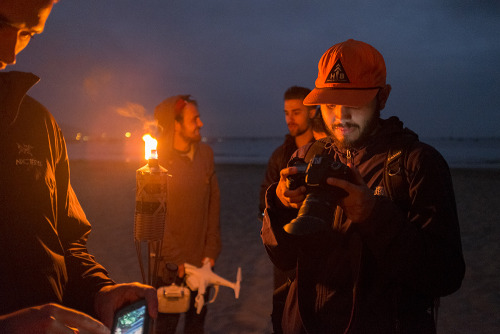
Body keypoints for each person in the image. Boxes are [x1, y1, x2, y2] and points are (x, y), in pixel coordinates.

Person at [261, 39, 465, 333]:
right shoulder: (307, 156)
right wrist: (279, 206)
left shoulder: (417, 164)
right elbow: (282, 258)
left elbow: (446, 275)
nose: (341, 116)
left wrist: (373, 215)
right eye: (330, 104)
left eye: (353, 102)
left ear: (382, 97)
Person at [0, 0, 158, 333]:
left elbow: (66, 240)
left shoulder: (36, 122)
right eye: (0, 23)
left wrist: (98, 292)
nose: (10, 52)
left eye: (28, 33)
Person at [154, 95, 221, 334]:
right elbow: (155, 218)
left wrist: (211, 251)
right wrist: (176, 260)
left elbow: (213, 204)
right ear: (176, 124)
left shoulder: (205, 155)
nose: (200, 123)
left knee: (196, 327)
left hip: (202, 264)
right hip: (169, 269)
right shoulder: (157, 162)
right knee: (164, 328)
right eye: (194, 119)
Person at [258, 86, 317, 334]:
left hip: (317, 248)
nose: (290, 118)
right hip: (285, 252)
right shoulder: (280, 156)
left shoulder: (326, 152)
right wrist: (279, 203)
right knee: (284, 316)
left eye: (296, 112)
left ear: (313, 111)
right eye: (286, 113)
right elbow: (263, 204)